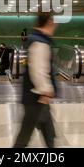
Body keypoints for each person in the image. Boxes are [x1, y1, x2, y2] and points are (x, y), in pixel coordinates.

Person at [14, 12, 57, 148]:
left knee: (49, 133)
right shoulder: (40, 42)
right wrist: (46, 91)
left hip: (37, 98)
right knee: (24, 136)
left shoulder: (37, 39)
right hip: (36, 98)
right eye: (54, 23)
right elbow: (38, 70)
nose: (55, 26)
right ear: (49, 22)